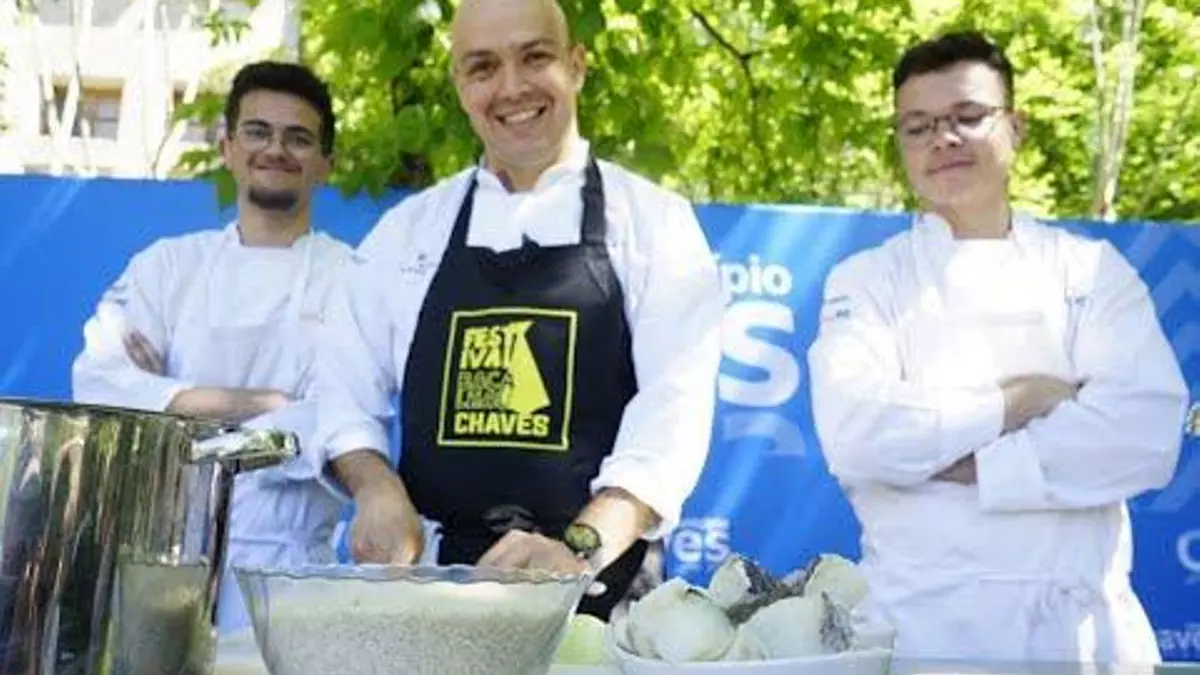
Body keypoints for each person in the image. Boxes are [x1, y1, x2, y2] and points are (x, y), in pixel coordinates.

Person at [312, 0, 724, 620]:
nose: (511, 88)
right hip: (435, 590)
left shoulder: (655, 223)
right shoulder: (407, 231)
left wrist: (578, 550)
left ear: (577, 66)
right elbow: (342, 394)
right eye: (483, 67)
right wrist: (375, 487)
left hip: (601, 590)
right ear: (459, 86)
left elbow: (674, 415)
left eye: (535, 57)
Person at [807, 31, 1188, 665]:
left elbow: (1144, 436)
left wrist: (969, 465)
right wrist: (1023, 399)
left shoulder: (1091, 271)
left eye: (967, 116)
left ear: (1016, 127)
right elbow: (859, 438)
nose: (943, 140)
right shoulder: (868, 281)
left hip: (1082, 635)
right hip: (921, 634)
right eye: (918, 126)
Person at [71, 61, 352, 633]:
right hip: (161, 565)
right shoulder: (166, 267)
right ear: (227, 147)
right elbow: (100, 384)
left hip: (289, 574)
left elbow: (338, 417)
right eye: (258, 131)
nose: (276, 149)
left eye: (299, 138)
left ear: (326, 163)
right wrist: (267, 403)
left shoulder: (353, 279)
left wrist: (169, 402)